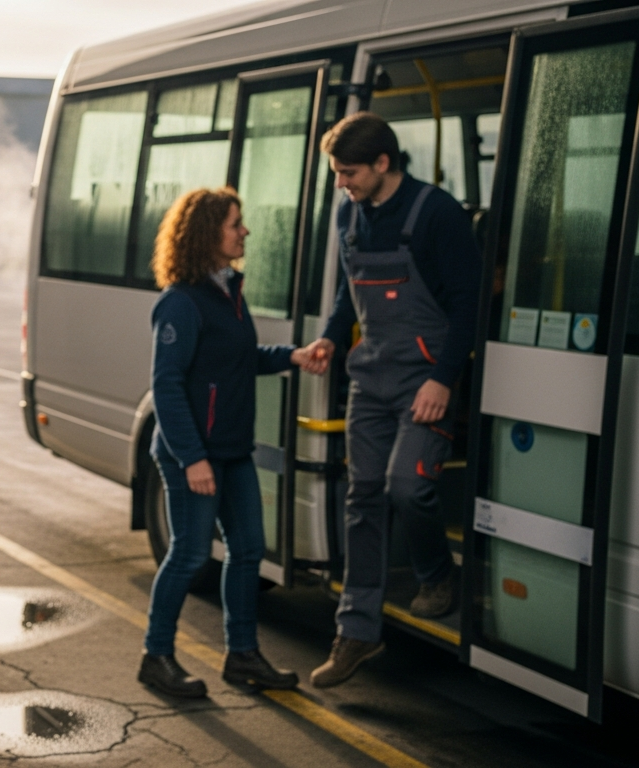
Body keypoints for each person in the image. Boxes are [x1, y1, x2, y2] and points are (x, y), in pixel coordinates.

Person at [298, 112, 482, 688]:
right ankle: (356, 631)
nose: (341, 183)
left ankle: (437, 575)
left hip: (425, 380)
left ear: (383, 163)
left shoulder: (439, 214)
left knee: (408, 486)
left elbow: (470, 304)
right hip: (371, 379)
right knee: (363, 498)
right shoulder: (348, 213)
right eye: (336, 173)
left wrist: (444, 379)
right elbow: (347, 294)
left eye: (348, 172)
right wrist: (331, 336)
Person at [138, 187, 325, 698]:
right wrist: (192, 458)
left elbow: (238, 357)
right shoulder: (180, 303)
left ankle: (242, 655)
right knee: (189, 555)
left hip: (232, 450)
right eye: (234, 224)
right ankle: (156, 656)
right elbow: (167, 386)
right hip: (193, 456)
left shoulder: (227, 292)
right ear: (207, 234)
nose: (245, 231)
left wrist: (292, 356)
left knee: (247, 552)